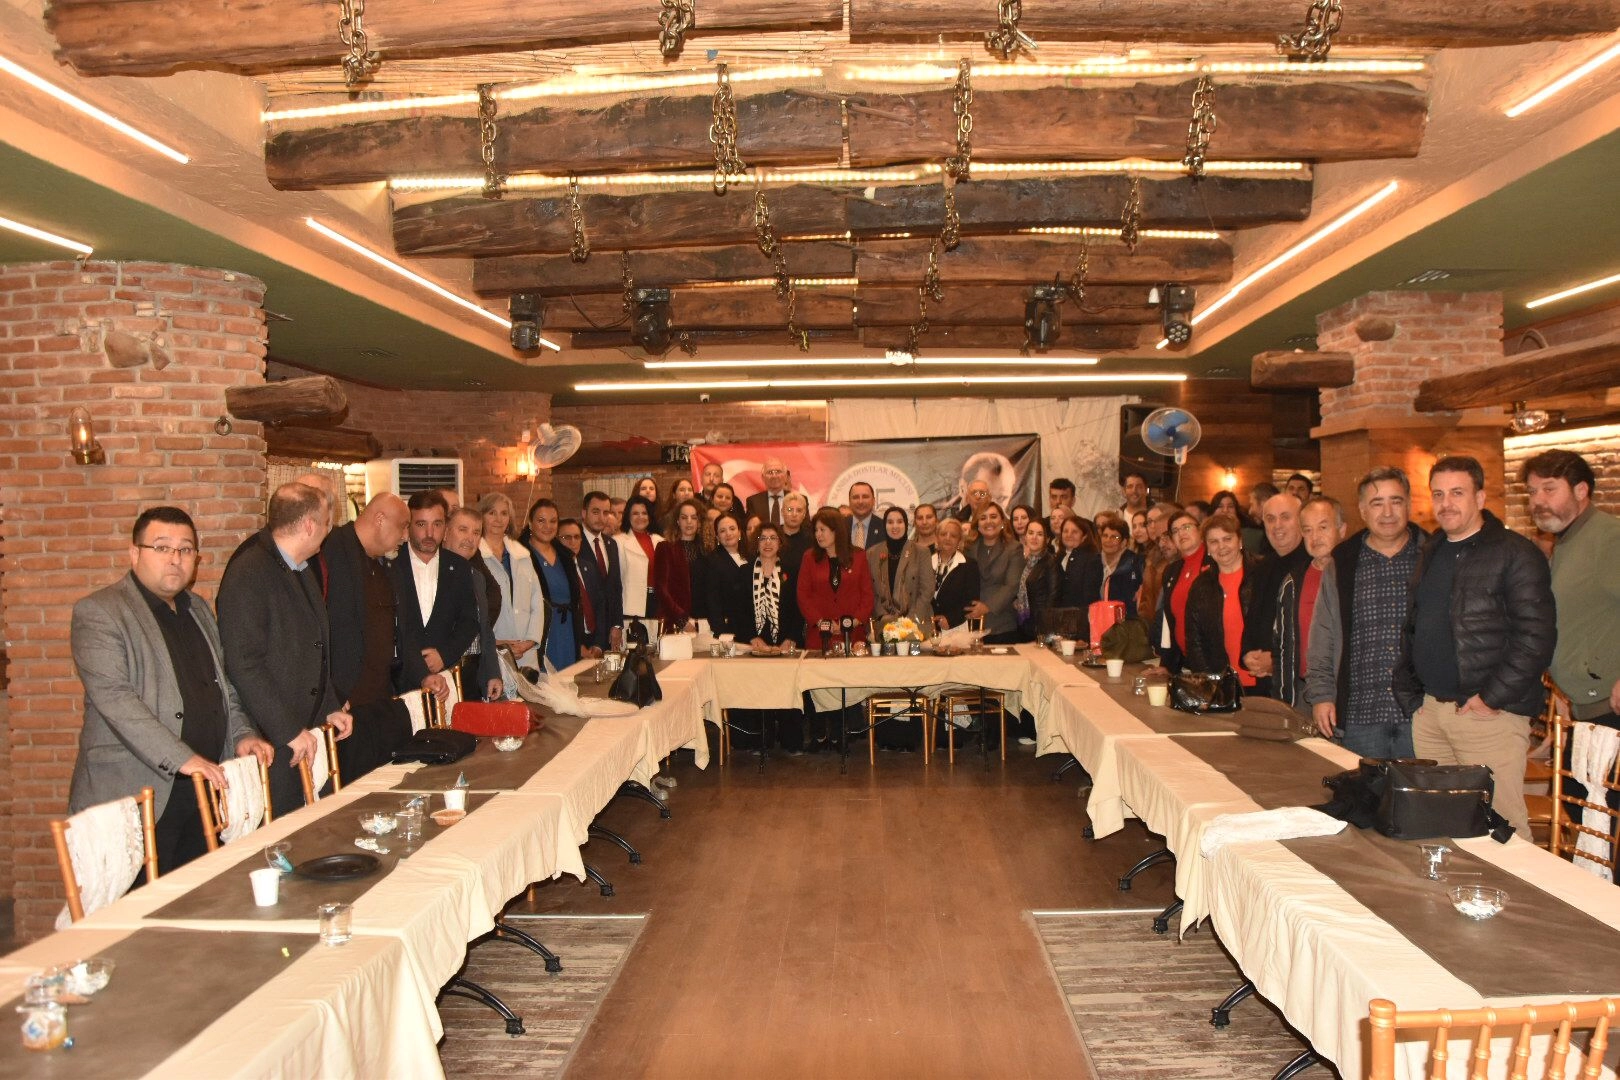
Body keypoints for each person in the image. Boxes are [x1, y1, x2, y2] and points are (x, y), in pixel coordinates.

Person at [71, 506, 274, 875]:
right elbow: (116, 700)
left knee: (200, 892)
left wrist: (242, 735)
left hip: (202, 788)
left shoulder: (198, 609)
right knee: (141, 904)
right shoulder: (101, 612)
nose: (175, 558)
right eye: (162, 547)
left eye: (185, 549)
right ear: (134, 553)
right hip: (137, 790)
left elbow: (222, 687)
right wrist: (183, 758)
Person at [1393, 456, 1556, 840]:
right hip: (1431, 712)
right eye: (1438, 494)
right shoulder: (1433, 549)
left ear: (1480, 497)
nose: (1446, 503)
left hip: (1488, 717)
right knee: (1441, 824)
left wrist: (1491, 698)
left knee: (1503, 830)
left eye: (1457, 493)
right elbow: (1415, 625)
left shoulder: (1515, 552)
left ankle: (1517, 885)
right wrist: (1413, 696)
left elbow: (1536, 637)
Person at [217, 483, 352, 815]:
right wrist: (288, 730)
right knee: (282, 834)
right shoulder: (249, 571)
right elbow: (243, 663)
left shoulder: (298, 566)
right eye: (326, 522)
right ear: (308, 525)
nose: (329, 530)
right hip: (271, 739)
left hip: (303, 728)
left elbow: (313, 648)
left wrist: (329, 706)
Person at [1526, 449, 1620, 833]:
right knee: (1585, 817)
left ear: (1582, 490)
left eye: (1549, 489)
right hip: (1585, 709)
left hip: (1611, 710)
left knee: (1606, 824)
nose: (1538, 500)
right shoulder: (1566, 542)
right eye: (1533, 491)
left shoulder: (1608, 537)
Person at [1306, 466, 1427, 760]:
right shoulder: (1342, 563)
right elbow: (1322, 636)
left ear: (1409, 505)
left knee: (1420, 790)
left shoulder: (1432, 556)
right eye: (1377, 503)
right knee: (1364, 790)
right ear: (1362, 510)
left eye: (1396, 501)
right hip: (1361, 716)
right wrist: (1322, 695)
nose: (1387, 512)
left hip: (1422, 715)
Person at [323, 493, 420, 781]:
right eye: (403, 526)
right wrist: (331, 694)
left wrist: (422, 674)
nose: (406, 536)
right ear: (379, 519)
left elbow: (401, 630)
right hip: (346, 702)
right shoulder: (332, 550)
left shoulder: (387, 564)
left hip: (381, 698)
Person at [388, 490, 481, 699]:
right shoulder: (391, 566)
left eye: (437, 524)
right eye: (421, 524)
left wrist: (444, 655)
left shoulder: (459, 567)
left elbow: (469, 621)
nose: (429, 533)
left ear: (445, 527)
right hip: (399, 680)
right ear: (408, 526)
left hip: (446, 677)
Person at [1272, 497, 1346, 710]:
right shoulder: (1292, 582)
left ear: (1342, 529)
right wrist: (1283, 697)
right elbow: (1281, 644)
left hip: (1343, 692)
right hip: (1300, 693)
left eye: (1323, 527)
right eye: (1307, 530)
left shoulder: (1354, 577)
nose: (1315, 537)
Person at [1239, 492, 1309, 697]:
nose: (1277, 525)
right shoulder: (1262, 567)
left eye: (1285, 517)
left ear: (1301, 521)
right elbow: (1252, 619)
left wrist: (1275, 660)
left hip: (1300, 687)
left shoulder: (1312, 566)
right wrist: (1247, 654)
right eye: (1270, 519)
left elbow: (1310, 631)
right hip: (1263, 683)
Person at [1182, 514, 1260, 688]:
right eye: (1214, 542)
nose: (1222, 546)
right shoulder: (1201, 585)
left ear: (1240, 541)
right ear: (1207, 548)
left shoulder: (1262, 573)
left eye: (1227, 539)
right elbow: (1194, 641)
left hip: (1263, 679)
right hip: (1221, 684)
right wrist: (1209, 682)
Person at [477, 493, 546, 678]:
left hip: (526, 651)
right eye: (492, 513)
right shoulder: (474, 556)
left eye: (504, 513)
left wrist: (530, 641)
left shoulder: (522, 555)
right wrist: (497, 643)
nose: (498, 519)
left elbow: (537, 602)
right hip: (493, 650)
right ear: (481, 516)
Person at [443, 507, 504, 701]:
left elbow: (485, 629)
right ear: (445, 532)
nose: (470, 538)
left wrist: (493, 672)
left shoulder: (477, 577)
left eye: (476, 532)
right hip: (445, 676)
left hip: (474, 674)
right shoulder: (432, 574)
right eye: (463, 529)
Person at [797, 506, 875, 651]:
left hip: (853, 636)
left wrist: (852, 622)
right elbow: (803, 596)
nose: (818, 535)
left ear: (836, 531)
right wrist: (822, 623)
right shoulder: (809, 557)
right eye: (816, 530)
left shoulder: (859, 557)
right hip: (819, 637)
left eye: (822, 530)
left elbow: (867, 596)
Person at [520, 498, 579, 671]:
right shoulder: (521, 556)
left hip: (567, 630)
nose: (548, 526)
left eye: (553, 521)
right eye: (541, 521)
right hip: (539, 631)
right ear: (530, 523)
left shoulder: (565, 556)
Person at [1153, 509, 1212, 671]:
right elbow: (1170, 622)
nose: (1181, 533)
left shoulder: (1215, 563)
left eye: (1186, 527)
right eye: (1175, 531)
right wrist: (1167, 665)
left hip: (1211, 659)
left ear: (1200, 530)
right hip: (1184, 659)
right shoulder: (1172, 571)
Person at [577, 490, 625, 654]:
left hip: (609, 630)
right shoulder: (574, 542)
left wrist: (617, 624)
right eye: (595, 512)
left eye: (606, 512)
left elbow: (616, 587)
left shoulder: (611, 544)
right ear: (584, 513)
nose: (601, 518)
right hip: (585, 630)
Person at [870, 506, 934, 627]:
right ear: (884, 526)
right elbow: (870, 591)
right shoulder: (872, 553)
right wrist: (882, 616)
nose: (895, 526)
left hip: (915, 623)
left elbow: (927, 590)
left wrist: (911, 619)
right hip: (883, 623)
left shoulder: (921, 552)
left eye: (900, 521)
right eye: (890, 522)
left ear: (906, 525)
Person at [967, 503, 1022, 640]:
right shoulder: (968, 548)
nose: (988, 521)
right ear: (977, 524)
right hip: (972, 623)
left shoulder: (1014, 548)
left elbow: (1012, 586)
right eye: (983, 518)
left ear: (1002, 522)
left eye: (993, 516)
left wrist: (987, 607)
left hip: (1002, 624)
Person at [654, 497, 705, 633]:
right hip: (674, 621)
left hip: (702, 622)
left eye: (694, 517)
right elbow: (661, 589)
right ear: (677, 521)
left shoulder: (706, 551)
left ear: (699, 522)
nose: (689, 521)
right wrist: (682, 620)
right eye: (684, 517)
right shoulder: (665, 547)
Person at [1005, 517, 1059, 644]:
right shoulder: (1024, 561)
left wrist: (1044, 626)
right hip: (1023, 621)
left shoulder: (1050, 562)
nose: (1034, 537)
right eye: (1030, 533)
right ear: (1025, 537)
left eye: (1039, 534)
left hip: (1040, 623)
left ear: (1047, 539)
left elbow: (1053, 597)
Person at [618, 494, 663, 641]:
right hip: (631, 604)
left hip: (656, 601)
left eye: (644, 513)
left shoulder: (660, 541)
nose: (640, 517)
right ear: (628, 516)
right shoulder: (618, 541)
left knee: (657, 644)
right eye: (635, 513)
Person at [704, 513, 754, 639]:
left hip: (753, 627)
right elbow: (712, 600)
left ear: (739, 532)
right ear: (717, 536)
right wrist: (721, 632)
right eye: (722, 531)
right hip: (729, 628)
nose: (728, 533)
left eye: (732, 529)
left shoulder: (752, 557)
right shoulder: (712, 561)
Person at [930, 519, 981, 632]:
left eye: (953, 535)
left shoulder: (969, 565)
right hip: (927, 626)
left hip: (956, 628)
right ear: (937, 537)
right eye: (943, 534)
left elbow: (972, 601)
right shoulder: (925, 562)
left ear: (960, 541)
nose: (947, 538)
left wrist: (951, 620)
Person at [1092, 513, 1144, 619]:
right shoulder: (1093, 562)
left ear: (1124, 542)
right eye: (1105, 536)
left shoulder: (1135, 563)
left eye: (1114, 537)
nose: (1108, 540)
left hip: (1124, 621)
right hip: (1097, 620)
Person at [1055, 514, 1103, 612]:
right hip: (1057, 615)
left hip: (1081, 616)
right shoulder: (1057, 558)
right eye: (1065, 531)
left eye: (1074, 532)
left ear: (1084, 536)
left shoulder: (1092, 559)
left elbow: (1090, 596)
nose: (1069, 535)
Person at [744, 456, 793, 527]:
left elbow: (805, 528)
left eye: (778, 472)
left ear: (785, 476)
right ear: (763, 477)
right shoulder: (753, 501)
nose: (774, 476)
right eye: (770, 472)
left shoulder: (798, 500)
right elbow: (751, 529)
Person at [1245, 482, 1280, 557]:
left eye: (1252, 504)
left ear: (1264, 503)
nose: (1250, 512)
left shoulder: (1277, 528)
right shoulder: (1264, 526)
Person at [847, 481, 884, 548]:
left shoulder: (884, 527)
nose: (860, 502)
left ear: (873, 501)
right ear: (849, 501)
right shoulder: (839, 526)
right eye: (855, 497)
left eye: (865, 497)